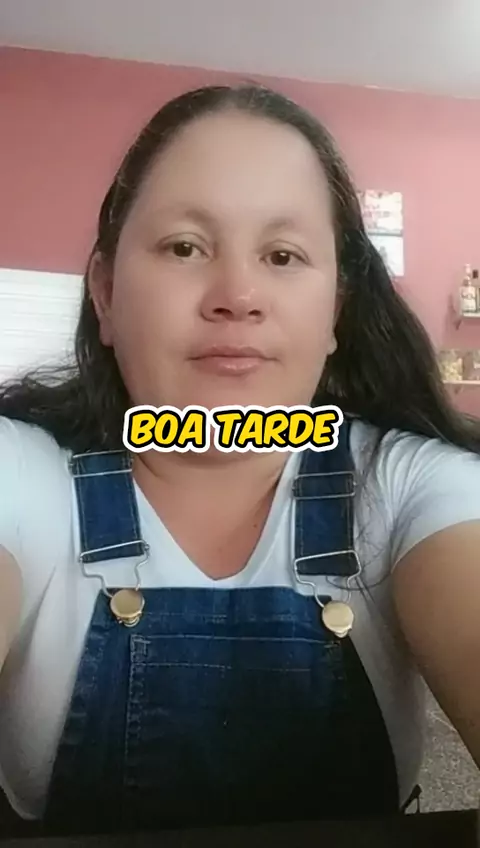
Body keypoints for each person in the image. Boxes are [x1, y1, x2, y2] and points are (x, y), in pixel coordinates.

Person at [0, 83, 479, 836]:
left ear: (336, 312)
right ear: (106, 293)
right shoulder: (23, 475)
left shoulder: (408, 484)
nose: (239, 295)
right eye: (185, 247)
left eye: (283, 255)